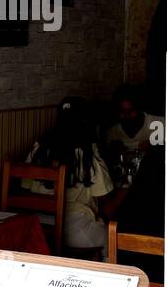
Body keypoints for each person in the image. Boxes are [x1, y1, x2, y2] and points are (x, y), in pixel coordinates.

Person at [26, 97, 117, 258]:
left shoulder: (40, 147)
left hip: (38, 227)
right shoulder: (86, 152)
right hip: (74, 229)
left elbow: (24, 185)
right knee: (114, 239)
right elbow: (105, 197)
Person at [105, 83, 164, 184]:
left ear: (139, 109)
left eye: (131, 111)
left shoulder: (159, 124)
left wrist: (156, 148)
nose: (127, 116)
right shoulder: (113, 132)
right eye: (122, 111)